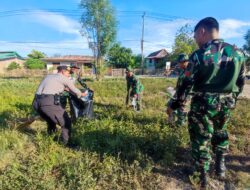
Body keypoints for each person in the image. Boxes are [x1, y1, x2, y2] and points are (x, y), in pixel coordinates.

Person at [167, 17, 246, 188]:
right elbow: (240, 83)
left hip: (203, 104)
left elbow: (186, 83)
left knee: (200, 137)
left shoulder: (199, 54)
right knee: (221, 132)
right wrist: (231, 99)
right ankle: (220, 167)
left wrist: (176, 103)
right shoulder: (238, 53)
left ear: (202, 31)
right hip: (227, 103)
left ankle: (201, 174)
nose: (195, 41)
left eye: (195, 36)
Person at [32, 66, 87, 145]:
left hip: (36, 102)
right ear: (63, 72)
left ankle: (51, 138)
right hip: (48, 102)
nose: (69, 75)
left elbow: (65, 89)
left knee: (51, 121)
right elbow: (74, 90)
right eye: (68, 73)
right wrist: (82, 94)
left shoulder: (49, 76)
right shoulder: (64, 78)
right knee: (66, 122)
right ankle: (66, 144)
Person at [167, 54, 189, 127]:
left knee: (181, 111)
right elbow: (180, 81)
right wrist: (176, 88)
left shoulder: (189, 71)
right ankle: (171, 121)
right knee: (169, 105)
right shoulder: (183, 70)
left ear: (185, 62)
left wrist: (182, 98)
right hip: (178, 93)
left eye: (180, 62)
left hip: (185, 95)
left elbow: (188, 86)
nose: (178, 64)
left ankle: (180, 126)